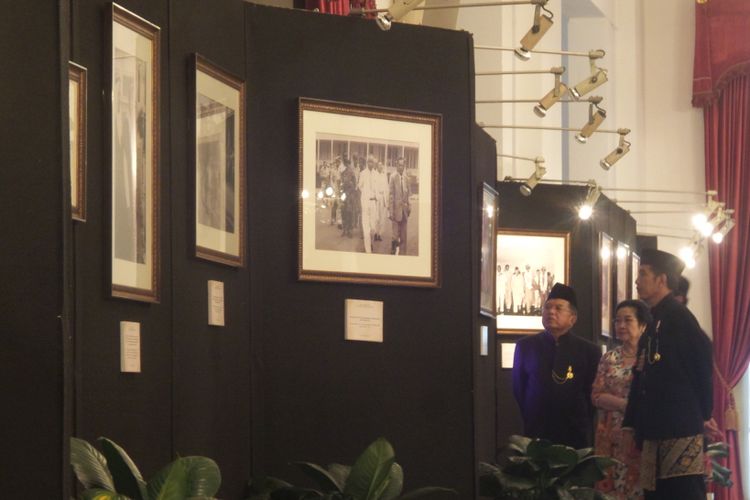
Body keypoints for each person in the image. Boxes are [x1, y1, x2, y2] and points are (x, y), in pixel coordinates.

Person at [622, 249, 715, 500]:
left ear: (661, 280)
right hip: (655, 427)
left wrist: (704, 413)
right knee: (656, 494)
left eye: (643, 274)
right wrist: (632, 422)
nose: (637, 281)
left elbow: (702, 365)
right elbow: (641, 375)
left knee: (681, 493)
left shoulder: (679, 317)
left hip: (679, 427)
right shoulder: (655, 320)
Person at [512, 283, 602, 449]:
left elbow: (591, 393)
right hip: (537, 428)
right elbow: (519, 388)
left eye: (558, 308)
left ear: (572, 318)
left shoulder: (589, 351)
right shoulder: (525, 346)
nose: (551, 312)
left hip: (574, 430)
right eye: (547, 307)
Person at [593, 299, 652, 500]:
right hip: (610, 437)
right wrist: (625, 405)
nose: (621, 326)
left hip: (640, 436)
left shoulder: (651, 358)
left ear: (643, 325)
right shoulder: (609, 358)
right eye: (617, 321)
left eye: (628, 320)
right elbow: (596, 396)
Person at [388, 157, 410, 255]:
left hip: (404, 211)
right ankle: (393, 252)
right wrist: (391, 211)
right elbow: (391, 195)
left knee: (403, 235)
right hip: (396, 210)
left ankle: (402, 254)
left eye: (403, 165)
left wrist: (409, 206)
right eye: (399, 165)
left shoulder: (406, 178)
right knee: (395, 235)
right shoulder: (392, 177)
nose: (401, 167)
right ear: (397, 165)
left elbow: (408, 194)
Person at [358, 155, 379, 253]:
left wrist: (376, 196)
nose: (371, 163)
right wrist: (365, 194)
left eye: (372, 162)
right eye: (369, 162)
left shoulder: (376, 174)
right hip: (366, 203)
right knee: (366, 229)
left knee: (373, 228)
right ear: (367, 163)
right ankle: (368, 251)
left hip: (373, 203)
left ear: (374, 163)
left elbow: (379, 189)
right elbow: (359, 186)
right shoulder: (362, 173)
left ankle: (371, 242)